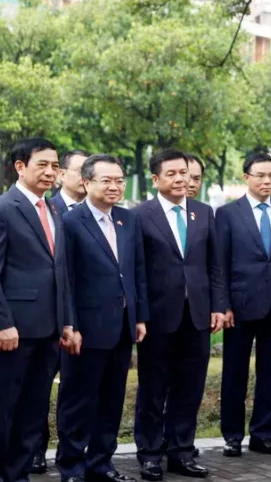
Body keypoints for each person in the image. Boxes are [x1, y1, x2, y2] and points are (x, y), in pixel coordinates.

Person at [132, 150, 228, 481]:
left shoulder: (203, 213)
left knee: (190, 387)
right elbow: (137, 271)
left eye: (184, 173)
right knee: (153, 388)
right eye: (171, 173)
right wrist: (139, 314)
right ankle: (149, 453)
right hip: (158, 317)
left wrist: (218, 305)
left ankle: (181, 451)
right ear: (156, 179)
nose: (180, 179)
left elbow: (214, 265)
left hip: (197, 315)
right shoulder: (140, 215)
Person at [56, 154, 149, 482]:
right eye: (106, 180)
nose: (114, 186)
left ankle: (101, 464)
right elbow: (64, 279)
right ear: (86, 182)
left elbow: (137, 271)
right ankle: (71, 467)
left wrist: (139, 316)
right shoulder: (68, 221)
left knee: (112, 400)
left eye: (119, 180)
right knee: (78, 401)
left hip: (122, 327)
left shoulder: (128, 219)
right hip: (85, 329)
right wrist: (70, 325)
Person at [216, 153, 271, 458]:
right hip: (240, 306)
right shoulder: (228, 214)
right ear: (246, 177)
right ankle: (231, 435)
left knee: (269, 373)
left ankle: (262, 434)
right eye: (260, 175)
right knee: (234, 373)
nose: (267, 181)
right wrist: (223, 305)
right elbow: (221, 264)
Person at [0, 138, 76, 482]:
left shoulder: (55, 210)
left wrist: (66, 322)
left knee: (33, 412)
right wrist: (3, 323)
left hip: (48, 332)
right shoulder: (5, 207)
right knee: (6, 410)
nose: (50, 172)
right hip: (14, 332)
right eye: (42, 164)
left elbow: (59, 272)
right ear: (20, 167)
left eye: (55, 166)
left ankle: (17, 475)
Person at [31, 148, 90, 475]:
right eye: (80, 170)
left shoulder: (102, 212)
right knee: (38, 387)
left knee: (76, 390)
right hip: (44, 317)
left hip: (83, 318)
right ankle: (37, 449)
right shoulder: (46, 210)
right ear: (63, 174)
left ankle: (74, 453)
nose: (85, 177)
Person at [52, 150, 91, 215]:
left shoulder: (101, 210)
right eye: (81, 171)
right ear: (62, 174)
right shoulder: (47, 208)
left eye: (90, 172)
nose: (86, 177)